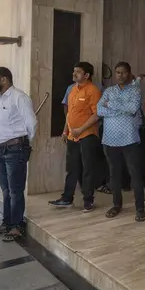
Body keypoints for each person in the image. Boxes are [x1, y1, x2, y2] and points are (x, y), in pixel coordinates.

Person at [0, 67, 36, 242]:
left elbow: (31, 122)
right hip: (0, 149)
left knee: (15, 191)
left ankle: (17, 226)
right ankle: (7, 223)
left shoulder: (19, 97)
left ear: (4, 79)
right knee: (6, 190)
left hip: (15, 149)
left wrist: (23, 143)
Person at [49, 62, 102, 212]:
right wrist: (66, 130)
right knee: (72, 168)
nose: (74, 74)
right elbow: (70, 114)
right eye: (74, 71)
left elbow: (97, 114)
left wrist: (81, 129)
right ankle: (67, 198)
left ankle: (88, 201)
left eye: (78, 72)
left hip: (87, 135)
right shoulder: (72, 90)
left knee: (87, 169)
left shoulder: (93, 90)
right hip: (73, 136)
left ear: (87, 75)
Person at [97, 62, 145, 221]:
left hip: (129, 138)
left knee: (135, 174)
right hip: (110, 139)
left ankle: (140, 208)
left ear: (129, 74)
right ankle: (116, 205)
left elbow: (133, 109)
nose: (120, 75)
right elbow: (99, 109)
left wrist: (110, 105)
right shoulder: (109, 90)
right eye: (117, 72)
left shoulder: (135, 90)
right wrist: (120, 110)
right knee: (114, 174)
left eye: (123, 72)